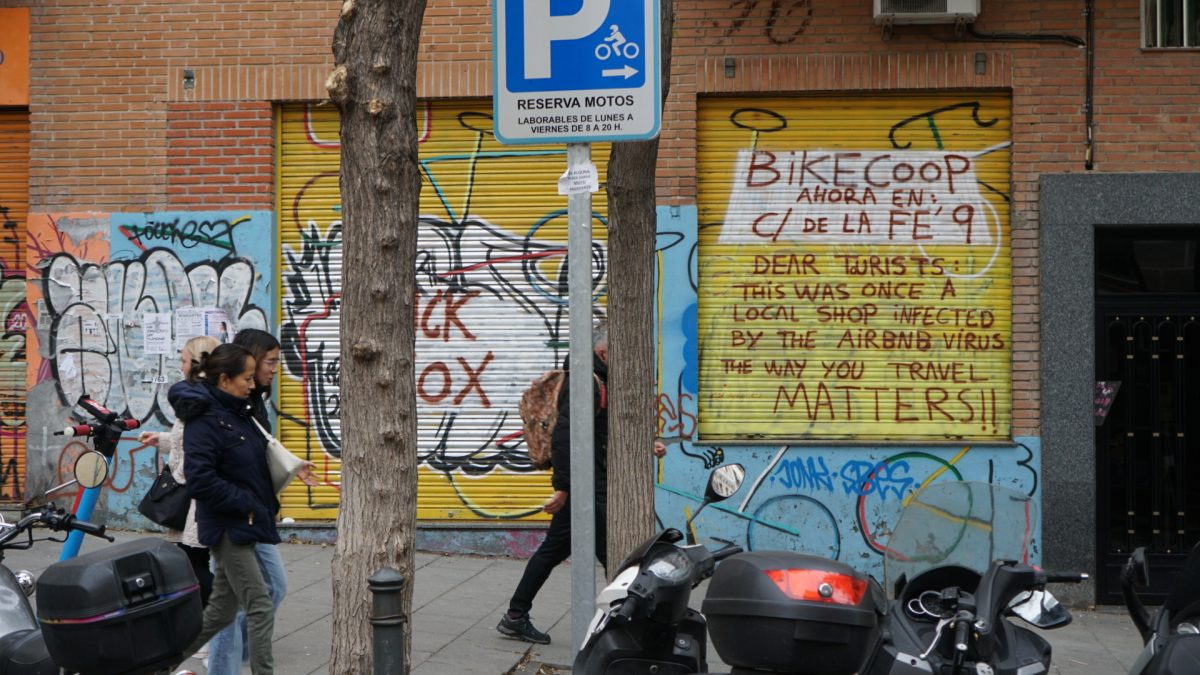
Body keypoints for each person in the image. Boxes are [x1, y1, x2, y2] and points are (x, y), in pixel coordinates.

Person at [497, 324, 666, 644]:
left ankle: (516, 615)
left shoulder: (600, 381)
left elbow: (603, 432)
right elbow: (564, 436)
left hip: (589, 484)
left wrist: (647, 442)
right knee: (613, 554)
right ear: (602, 353)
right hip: (585, 486)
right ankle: (624, 622)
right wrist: (563, 487)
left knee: (556, 550)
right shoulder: (585, 382)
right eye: (618, 352)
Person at [171, 344, 279, 674]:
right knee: (260, 605)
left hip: (246, 520)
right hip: (228, 526)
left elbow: (252, 462)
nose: (252, 384)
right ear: (224, 379)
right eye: (246, 378)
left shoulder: (236, 411)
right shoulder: (204, 420)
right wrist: (245, 503)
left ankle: (161, 665)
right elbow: (200, 480)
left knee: (219, 612)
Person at [203, 328, 299, 675]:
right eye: (270, 361)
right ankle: (220, 663)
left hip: (255, 514)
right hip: (231, 518)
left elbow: (256, 451)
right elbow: (204, 467)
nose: (274, 369)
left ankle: (226, 651)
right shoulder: (221, 405)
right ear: (251, 360)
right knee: (230, 607)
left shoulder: (252, 400)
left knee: (272, 587)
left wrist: (288, 468)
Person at [139, 335, 221, 609]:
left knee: (194, 566)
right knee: (194, 562)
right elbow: (185, 441)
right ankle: (216, 625)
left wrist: (178, 476)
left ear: (197, 364)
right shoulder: (199, 398)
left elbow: (192, 453)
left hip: (196, 498)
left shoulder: (196, 402)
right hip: (197, 497)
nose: (181, 366)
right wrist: (161, 440)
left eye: (184, 360)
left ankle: (223, 621)